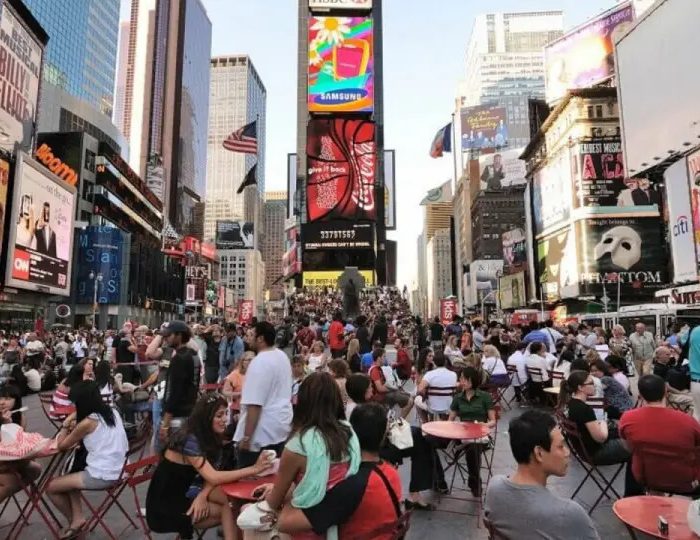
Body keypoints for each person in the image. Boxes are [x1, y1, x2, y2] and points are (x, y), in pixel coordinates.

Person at [146, 394, 274, 540]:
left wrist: (202, 496)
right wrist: (254, 469)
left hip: (188, 490)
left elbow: (213, 473)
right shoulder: (190, 439)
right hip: (166, 505)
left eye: (226, 413)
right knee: (229, 508)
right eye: (219, 415)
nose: (225, 419)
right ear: (206, 418)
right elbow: (213, 476)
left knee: (230, 501)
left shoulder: (208, 435)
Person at [252, 372, 361, 539]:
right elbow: (324, 483)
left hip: (308, 526)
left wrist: (275, 491)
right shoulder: (348, 434)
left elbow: (273, 502)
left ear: (302, 402)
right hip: (345, 520)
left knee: (248, 515)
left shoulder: (298, 446)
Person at [275, 402, 403, 540]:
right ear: (383, 436)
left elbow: (285, 523)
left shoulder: (352, 485)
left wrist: (291, 489)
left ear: (350, 432)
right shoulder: (391, 472)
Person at [484, 410, 600, 540]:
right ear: (539, 453)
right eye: (561, 446)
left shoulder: (494, 487)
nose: (567, 452)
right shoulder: (567, 514)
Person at [47, 381, 129, 539]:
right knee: (70, 474)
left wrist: (65, 425)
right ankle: (78, 520)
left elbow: (62, 445)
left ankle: (75, 524)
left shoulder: (88, 422)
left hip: (103, 475)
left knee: (51, 487)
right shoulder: (113, 411)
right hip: (121, 469)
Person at [558, 371, 641, 497]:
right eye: (591, 383)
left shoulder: (569, 405)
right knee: (637, 450)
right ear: (580, 387)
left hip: (583, 451)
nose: (595, 385)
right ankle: (633, 494)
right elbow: (601, 438)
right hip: (597, 453)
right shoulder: (584, 409)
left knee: (625, 438)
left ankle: (634, 493)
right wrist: (602, 422)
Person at [619, 374, 700, 494]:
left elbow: (628, 447)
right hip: (686, 481)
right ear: (666, 392)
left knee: (636, 456)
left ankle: (633, 497)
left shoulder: (627, 418)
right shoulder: (688, 421)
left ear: (640, 395)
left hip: (646, 478)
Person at [234, 321, 293, 467]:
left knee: (250, 476)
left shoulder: (259, 362)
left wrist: (247, 438)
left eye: (251, 334)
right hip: (280, 426)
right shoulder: (282, 356)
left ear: (260, 339)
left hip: (261, 434)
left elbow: (255, 404)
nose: (248, 338)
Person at [448, 367, 497, 496]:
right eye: (461, 379)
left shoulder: (484, 397)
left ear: (473, 380)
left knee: (473, 448)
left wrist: (484, 424)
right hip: (462, 435)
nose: (462, 382)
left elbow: (493, 421)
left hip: (480, 435)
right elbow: (450, 420)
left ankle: (474, 482)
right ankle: (438, 482)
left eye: (465, 379)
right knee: (429, 440)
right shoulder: (458, 397)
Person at [0, 385, 42, 504]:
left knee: (35, 469)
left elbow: (20, 444)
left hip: (9, 461)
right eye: (0, 398)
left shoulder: (20, 417)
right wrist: (6, 425)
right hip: (3, 462)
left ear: (16, 401)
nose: (2, 402)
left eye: (7, 399)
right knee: (11, 483)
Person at [159, 321, 199, 445]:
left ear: (179, 335)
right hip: (189, 413)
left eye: (169, 335)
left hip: (176, 418)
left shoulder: (179, 359)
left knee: (164, 452)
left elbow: (175, 393)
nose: (166, 338)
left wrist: (165, 424)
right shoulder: (194, 355)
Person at [368, 348, 412, 418]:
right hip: (381, 397)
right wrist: (393, 388)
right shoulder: (375, 370)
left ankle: (395, 417)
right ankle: (400, 419)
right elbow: (380, 388)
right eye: (384, 356)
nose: (385, 358)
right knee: (410, 400)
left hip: (384, 394)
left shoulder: (378, 368)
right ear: (379, 358)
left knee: (406, 394)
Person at [415, 351, 457, 420]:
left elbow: (419, 389)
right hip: (449, 407)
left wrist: (426, 393)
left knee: (417, 399)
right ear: (445, 362)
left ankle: (425, 422)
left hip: (432, 407)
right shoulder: (453, 374)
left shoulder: (429, 374)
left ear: (434, 362)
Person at [223, 350, 253, 422]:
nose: (251, 362)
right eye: (249, 360)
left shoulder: (257, 374)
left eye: (253, 360)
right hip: (238, 409)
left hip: (252, 408)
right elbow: (225, 392)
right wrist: (240, 394)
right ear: (242, 362)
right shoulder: (235, 374)